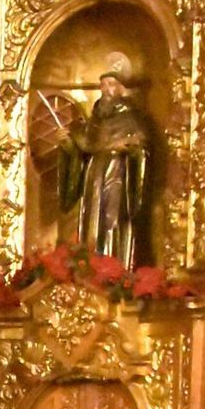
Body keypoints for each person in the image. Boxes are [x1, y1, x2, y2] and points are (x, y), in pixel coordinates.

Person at [54, 58, 153, 270]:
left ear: (120, 89)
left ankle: (113, 268)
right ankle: (90, 266)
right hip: (94, 177)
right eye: (103, 85)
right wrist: (68, 144)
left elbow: (140, 147)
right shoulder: (95, 120)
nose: (105, 90)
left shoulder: (131, 118)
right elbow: (84, 149)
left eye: (110, 84)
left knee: (112, 220)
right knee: (92, 222)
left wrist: (129, 148)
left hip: (117, 175)